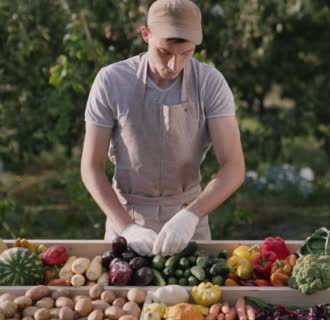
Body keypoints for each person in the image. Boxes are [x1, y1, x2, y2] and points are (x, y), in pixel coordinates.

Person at [80, 0, 245, 257]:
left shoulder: (210, 84)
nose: (174, 65)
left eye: (186, 53)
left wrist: (190, 216)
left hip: (188, 220)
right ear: (146, 34)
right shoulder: (111, 81)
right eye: (165, 52)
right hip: (126, 216)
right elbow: (91, 167)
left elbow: (234, 166)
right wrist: (127, 227)